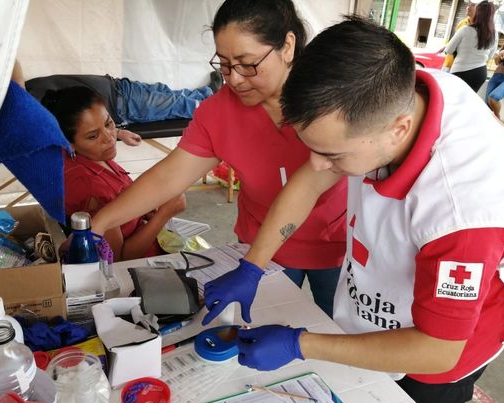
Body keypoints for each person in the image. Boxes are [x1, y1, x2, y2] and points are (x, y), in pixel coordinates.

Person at [206, 16, 504, 403]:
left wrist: (299, 344)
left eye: (333, 155)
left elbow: (438, 349)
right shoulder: (392, 92)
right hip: (380, 306)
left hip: (434, 360)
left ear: (398, 129)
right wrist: (253, 265)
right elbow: (311, 180)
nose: (318, 165)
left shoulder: (460, 214)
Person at [89, 0, 348, 319]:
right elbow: (169, 177)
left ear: (288, 46)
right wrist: (101, 222)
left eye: (247, 64)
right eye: (224, 65)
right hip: (260, 246)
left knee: (339, 329)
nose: (234, 79)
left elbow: (309, 185)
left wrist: (252, 266)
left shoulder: (331, 99)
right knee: (263, 325)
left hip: (337, 244)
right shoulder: (220, 112)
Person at [41, 85, 186, 261]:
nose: (109, 138)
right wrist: (164, 214)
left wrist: (146, 209)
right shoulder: (89, 187)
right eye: (93, 136)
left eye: (108, 123)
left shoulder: (94, 156)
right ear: (67, 143)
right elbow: (118, 260)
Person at [27, 71, 222, 126]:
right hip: (123, 105)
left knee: (166, 93)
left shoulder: (24, 89)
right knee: (175, 104)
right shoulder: (32, 107)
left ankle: (208, 92)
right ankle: (215, 107)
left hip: (119, 87)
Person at [444, 1, 497, 92]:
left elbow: (448, 50)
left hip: (460, 71)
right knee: (468, 99)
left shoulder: (465, 30)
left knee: (452, 97)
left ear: (477, 13)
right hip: (480, 73)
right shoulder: (494, 34)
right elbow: (490, 56)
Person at [441, 0, 476, 72]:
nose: (468, 7)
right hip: (449, 63)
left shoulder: (480, 28)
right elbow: (454, 41)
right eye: (468, 5)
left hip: (464, 67)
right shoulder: (462, 23)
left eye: (473, 5)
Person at [486, 37, 504, 119]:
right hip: (496, 75)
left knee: (493, 98)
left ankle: (497, 119)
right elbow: (496, 62)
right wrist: (500, 55)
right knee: (487, 104)